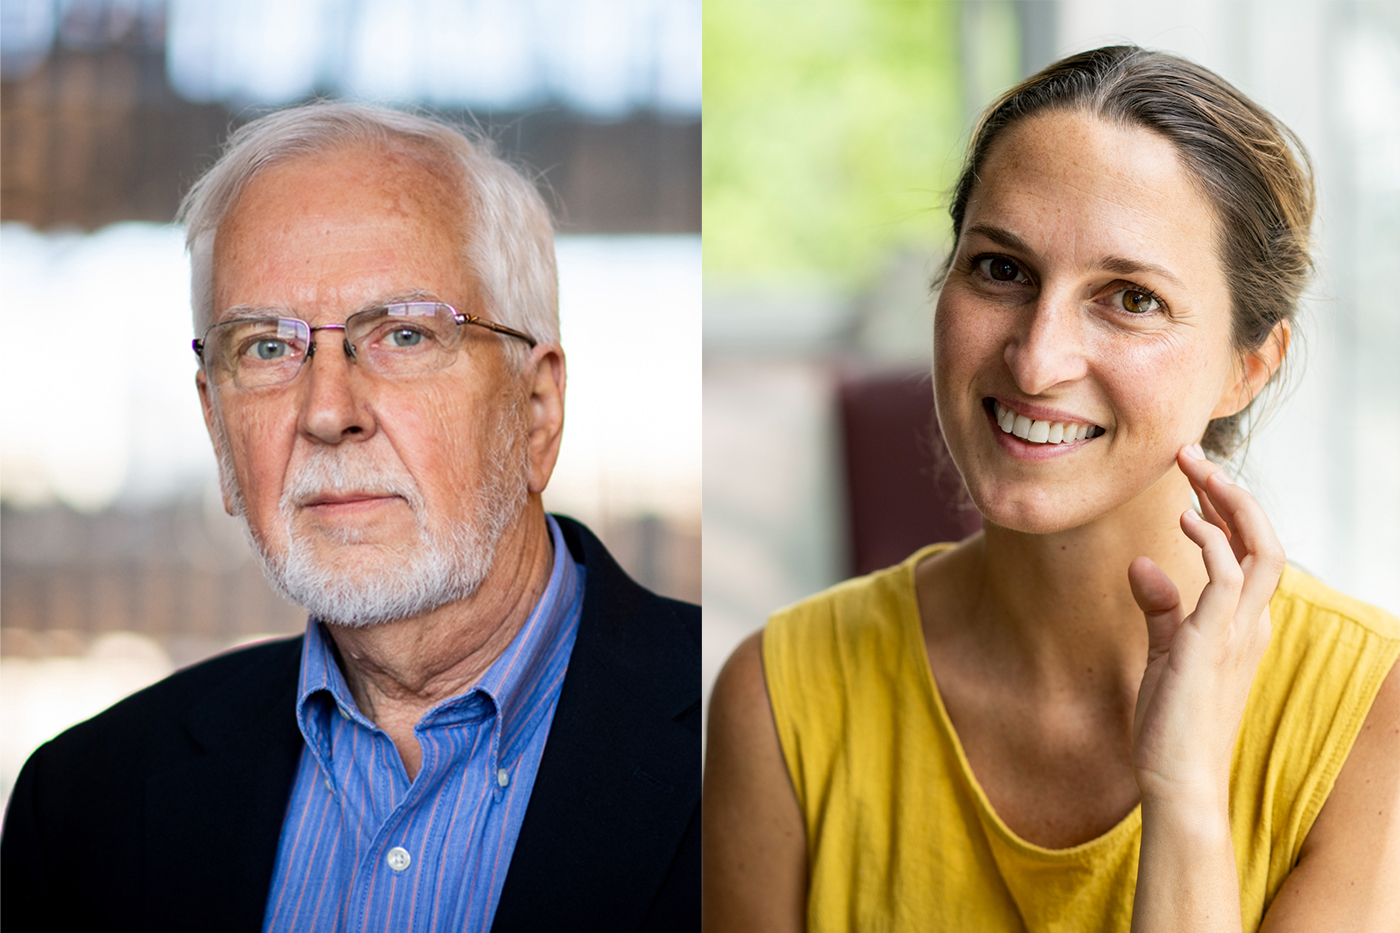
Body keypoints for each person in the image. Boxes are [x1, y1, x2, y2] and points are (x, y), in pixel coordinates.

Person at [703, 46, 1399, 932]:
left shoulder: (1371, 719)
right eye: (1001, 269)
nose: (1036, 359)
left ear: (1248, 367)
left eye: (1131, 298)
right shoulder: (779, 696)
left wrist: (1184, 799)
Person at [1, 103, 699, 933]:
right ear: (217, 429)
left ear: (537, 408)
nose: (328, 411)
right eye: (265, 347)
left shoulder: (746, 732)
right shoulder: (85, 803)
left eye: (403, 334)